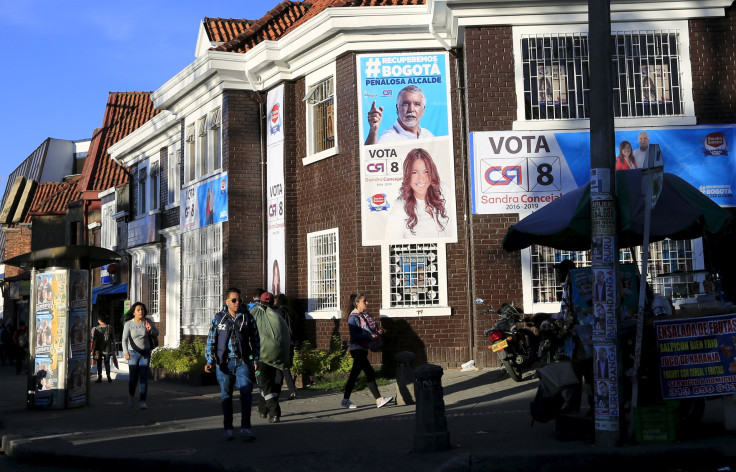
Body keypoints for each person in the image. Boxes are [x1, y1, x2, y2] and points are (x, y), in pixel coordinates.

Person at [205, 288, 260, 441]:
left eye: (239, 300)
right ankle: (228, 428)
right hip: (224, 363)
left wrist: (256, 359)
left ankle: (246, 428)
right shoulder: (219, 318)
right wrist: (209, 360)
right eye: (234, 300)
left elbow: (255, 340)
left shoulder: (247, 317)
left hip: (242, 362)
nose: (237, 303)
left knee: (246, 393)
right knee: (226, 396)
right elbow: (211, 340)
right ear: (226, 301)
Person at [342, 294, 393, 409]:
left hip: (363, 348)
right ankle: (379, 399)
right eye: (364, 301)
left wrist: (377, 332)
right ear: (357, 303)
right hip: (357, 349)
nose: (367, 303)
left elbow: (369, 328)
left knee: (354, 375)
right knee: (369, 372)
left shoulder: (364, 315)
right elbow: (354, 334)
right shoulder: (353, 317)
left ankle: (345, 400)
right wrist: (369, 337)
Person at [385, 148, 449, 239]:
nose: (421, 179)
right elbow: (390, 242)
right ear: (408, 175)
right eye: (415, 172)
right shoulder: (400, 205)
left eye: (426, 172)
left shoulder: (444, 190)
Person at [250, 292, 291, 423]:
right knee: (270, 384)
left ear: (260, 302)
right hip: (278, 355)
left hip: (261, 355)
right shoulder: (278, 314)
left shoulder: (254, 312)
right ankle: (263, 409)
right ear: (273, 301)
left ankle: (274, 413)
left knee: (265, 384)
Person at [364, 85, 434, 145]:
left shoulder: (428, 136)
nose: (411, 109)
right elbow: (369, 158)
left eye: (417, 104)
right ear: (397, 109)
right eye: (406, 104)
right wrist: (373, 131)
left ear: (423, 110)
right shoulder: (388, 139)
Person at [122, 302, 158, 409]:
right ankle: (131, 395)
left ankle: (142, 400)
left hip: (145, 353)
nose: (141, 311)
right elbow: (124, 339)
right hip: (132, 354)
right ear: (134, 312)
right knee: (133, 378)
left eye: (142, 309)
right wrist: (125, 352)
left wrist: (151, 329)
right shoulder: (128, 324)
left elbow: (157, 333)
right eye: (138, 310)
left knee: (143, 378)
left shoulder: (148, 321)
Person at [274, 294, 297, 401]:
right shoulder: (290, 311)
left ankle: (292, 390)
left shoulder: (279, 312)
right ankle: (276, 392)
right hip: (290, 341)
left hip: (283, 342)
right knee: (280, 368)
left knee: (283, 367)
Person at [92, 315, 115, 383]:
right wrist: (114, 347)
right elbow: (113, 338)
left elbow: (95, 340)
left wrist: (93, 349)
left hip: (98, 349)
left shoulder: (97, 328)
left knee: (99, 363)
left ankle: (99, 377)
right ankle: (108, 377)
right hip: (107, 348)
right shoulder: (110, 328)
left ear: (100, 320)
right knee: (107, 363)